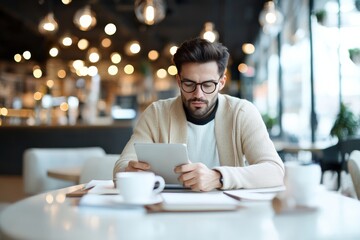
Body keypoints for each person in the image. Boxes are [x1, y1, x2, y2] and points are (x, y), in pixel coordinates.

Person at [113, 37, 284, 191]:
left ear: (221, 82)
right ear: (179, 81)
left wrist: (218, 177)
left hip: (228, 214)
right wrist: (129, 171)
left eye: (208, 84)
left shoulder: (242, 112)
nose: (198, 94)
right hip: (168, 212)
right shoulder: (156, 114)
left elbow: (275, 171)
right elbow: (120, 167)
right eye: (189, 84)